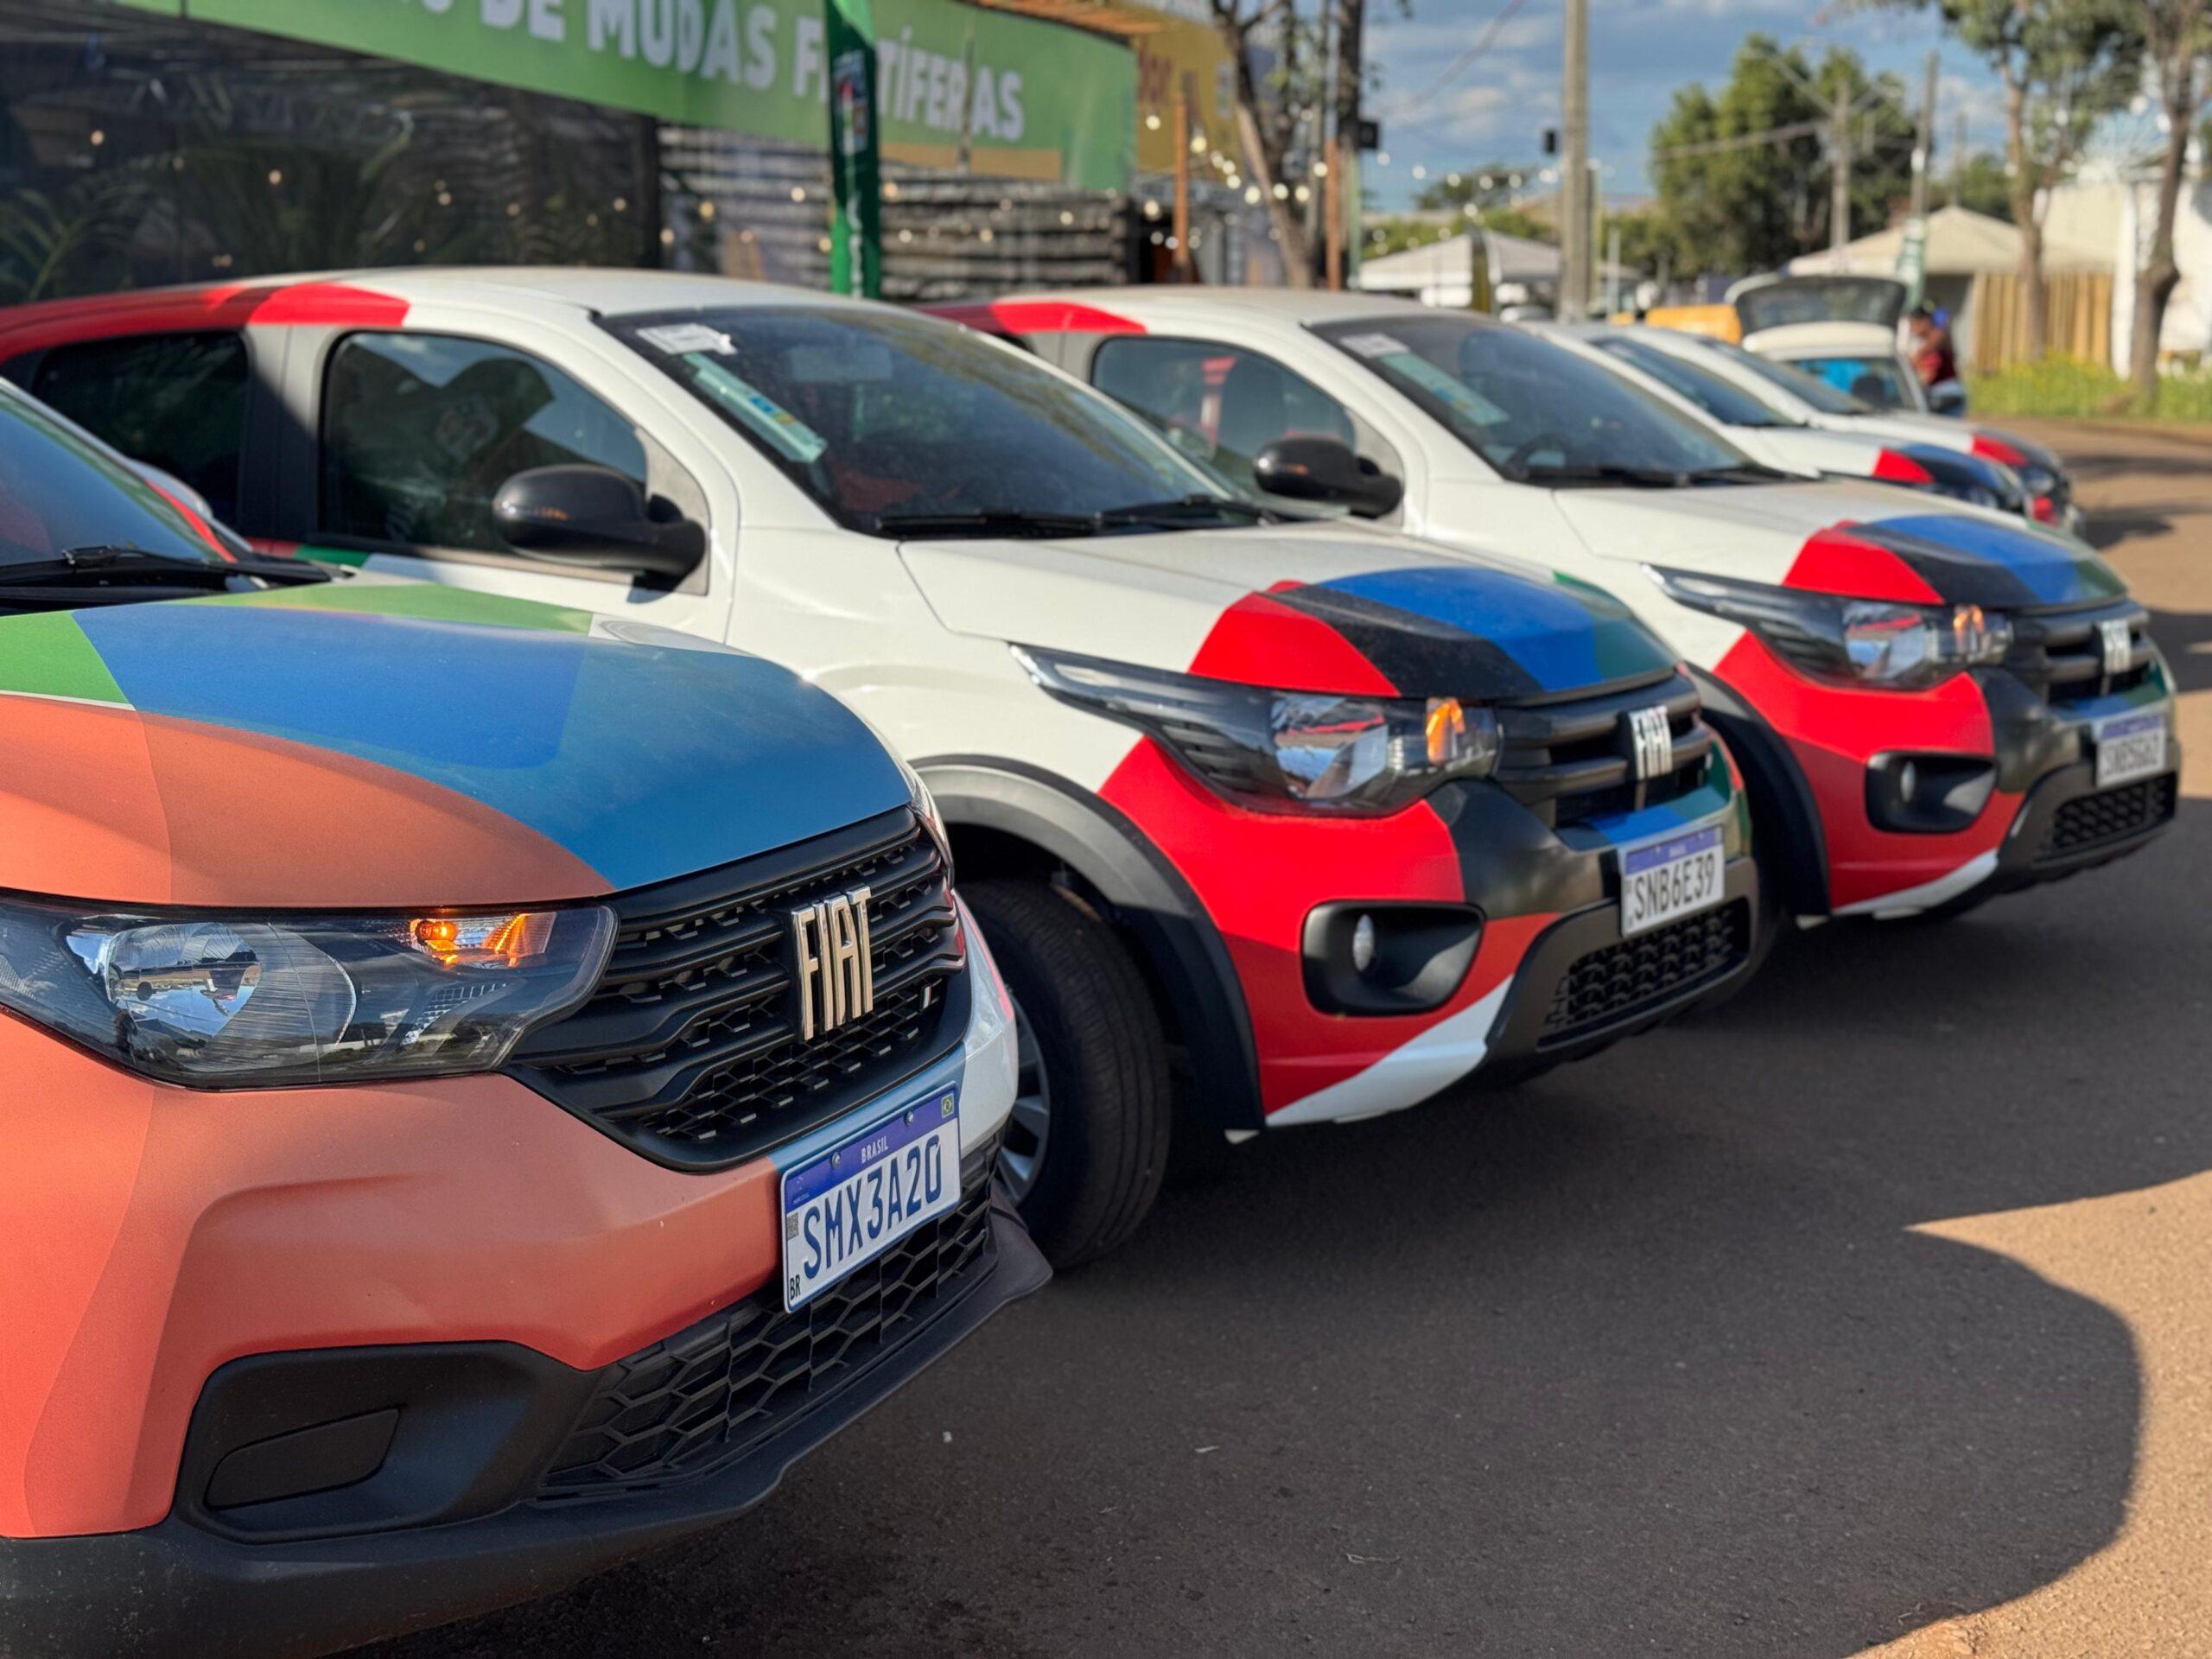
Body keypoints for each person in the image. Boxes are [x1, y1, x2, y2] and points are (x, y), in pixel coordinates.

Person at [1909, 305, 1958, 389]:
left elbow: (1921, 353)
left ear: (1926, 322)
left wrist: (1911, 361)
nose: (1911, 329)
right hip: (1935, 388)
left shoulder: (1938, 335)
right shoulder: (1923, 341)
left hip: (1946, 389)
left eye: (1914, 324)